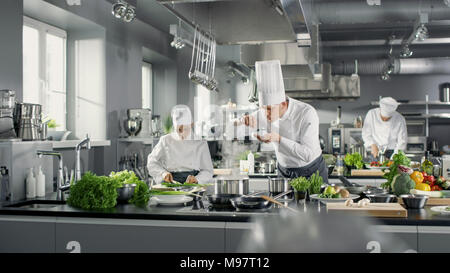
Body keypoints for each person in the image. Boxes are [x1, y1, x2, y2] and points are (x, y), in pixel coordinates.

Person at [237, 60, 328, 184]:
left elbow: (308, 154)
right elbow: (237, 128)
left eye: (270, 109)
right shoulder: (264, 112)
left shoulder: (306, 113)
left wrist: (278, 139)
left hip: (310, 170)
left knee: (314, 203)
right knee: (281, 203)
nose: (266, 114)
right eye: (263, 109)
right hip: (284, 172)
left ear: (283, 104)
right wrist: (242, 121)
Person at [147, 105, 214, 184]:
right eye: (178, 130)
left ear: (191, 124)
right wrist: (163, 173)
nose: (182, 133)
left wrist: (197, 179)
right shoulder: (165, 140)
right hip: (171, 185)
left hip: (193, 187)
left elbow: (208, 171)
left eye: (185, 129)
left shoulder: (200, 143)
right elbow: (151, 162)